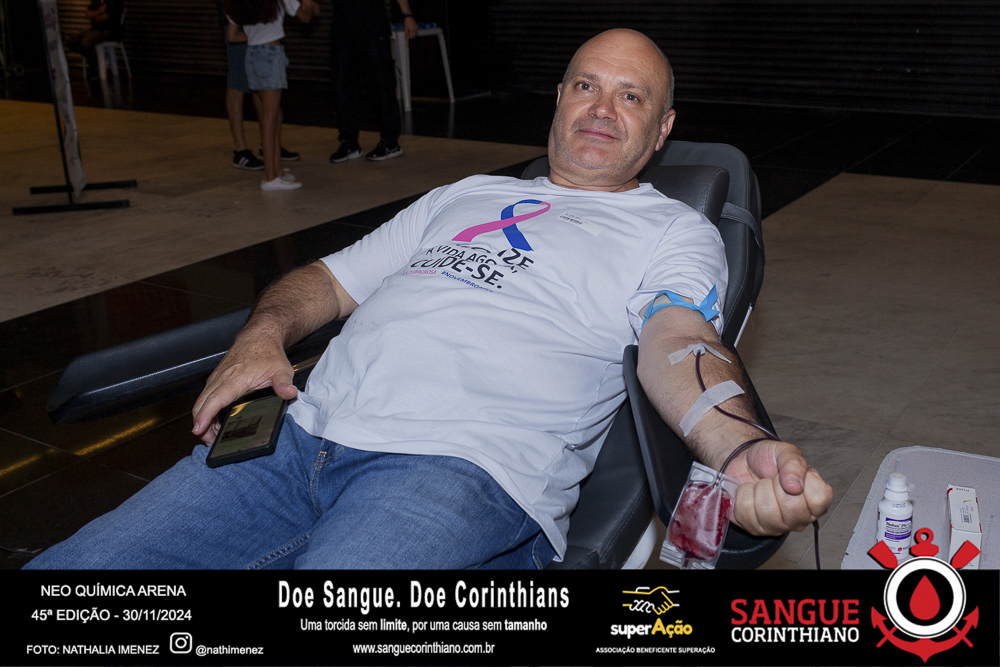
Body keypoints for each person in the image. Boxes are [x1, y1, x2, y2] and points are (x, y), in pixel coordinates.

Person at [25, 29, 833, 571]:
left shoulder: (671, 230)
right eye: (587, 85)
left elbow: (679, 340)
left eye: (631, 96)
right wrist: (261, 334)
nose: (600, 108)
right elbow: (326, 280)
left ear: (661, 131)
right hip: (294, 439)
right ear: (558, 98)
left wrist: (734, 445)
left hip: (458, 469)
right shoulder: (465, 194)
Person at [225, 0, 319, 191]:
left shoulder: (236, 3)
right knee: (270, 117)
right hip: (270, 54)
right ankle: (269, 177)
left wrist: (257, 36)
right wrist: (310, 6)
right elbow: (305, 17)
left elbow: (232, 36)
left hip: (251, 54)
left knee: (274, 115)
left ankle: (277, 170)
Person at [327, 0, 417, 163]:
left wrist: (407, 14)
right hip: (343, 28)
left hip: (373, 27)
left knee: (381, 84)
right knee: (342, 86)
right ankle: (349, 141)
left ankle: (390, 142)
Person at [66, 0, 124, 79]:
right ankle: (95, 60)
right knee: (71, 41)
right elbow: (87, 15)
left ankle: (94, 65)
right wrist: (99, 12)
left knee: (86, 42)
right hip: (95, 30)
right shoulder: (96, 1)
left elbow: (102, 18)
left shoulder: (114, 2)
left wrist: (94, 15)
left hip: (109, 31)